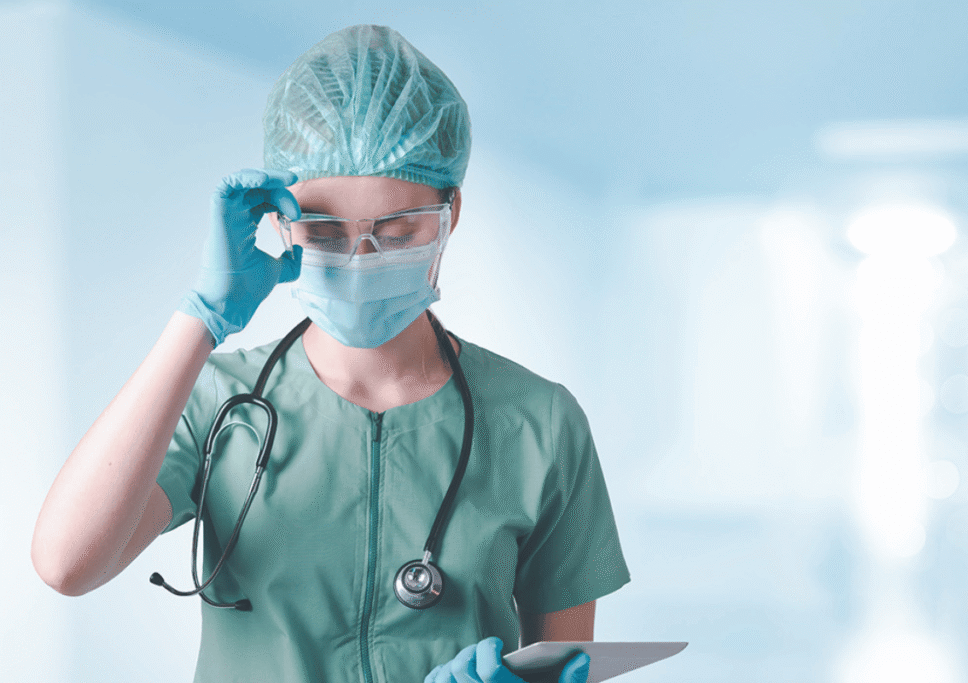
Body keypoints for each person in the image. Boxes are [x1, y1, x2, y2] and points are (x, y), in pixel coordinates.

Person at [32, 25, 629, 683]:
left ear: (450, 214)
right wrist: (201, 319)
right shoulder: (219, 401)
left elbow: (568, 664)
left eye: (398, 229)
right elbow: (66, 563)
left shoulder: (539, 422)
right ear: (281, 223)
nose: (358, 257)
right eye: (323, 229)